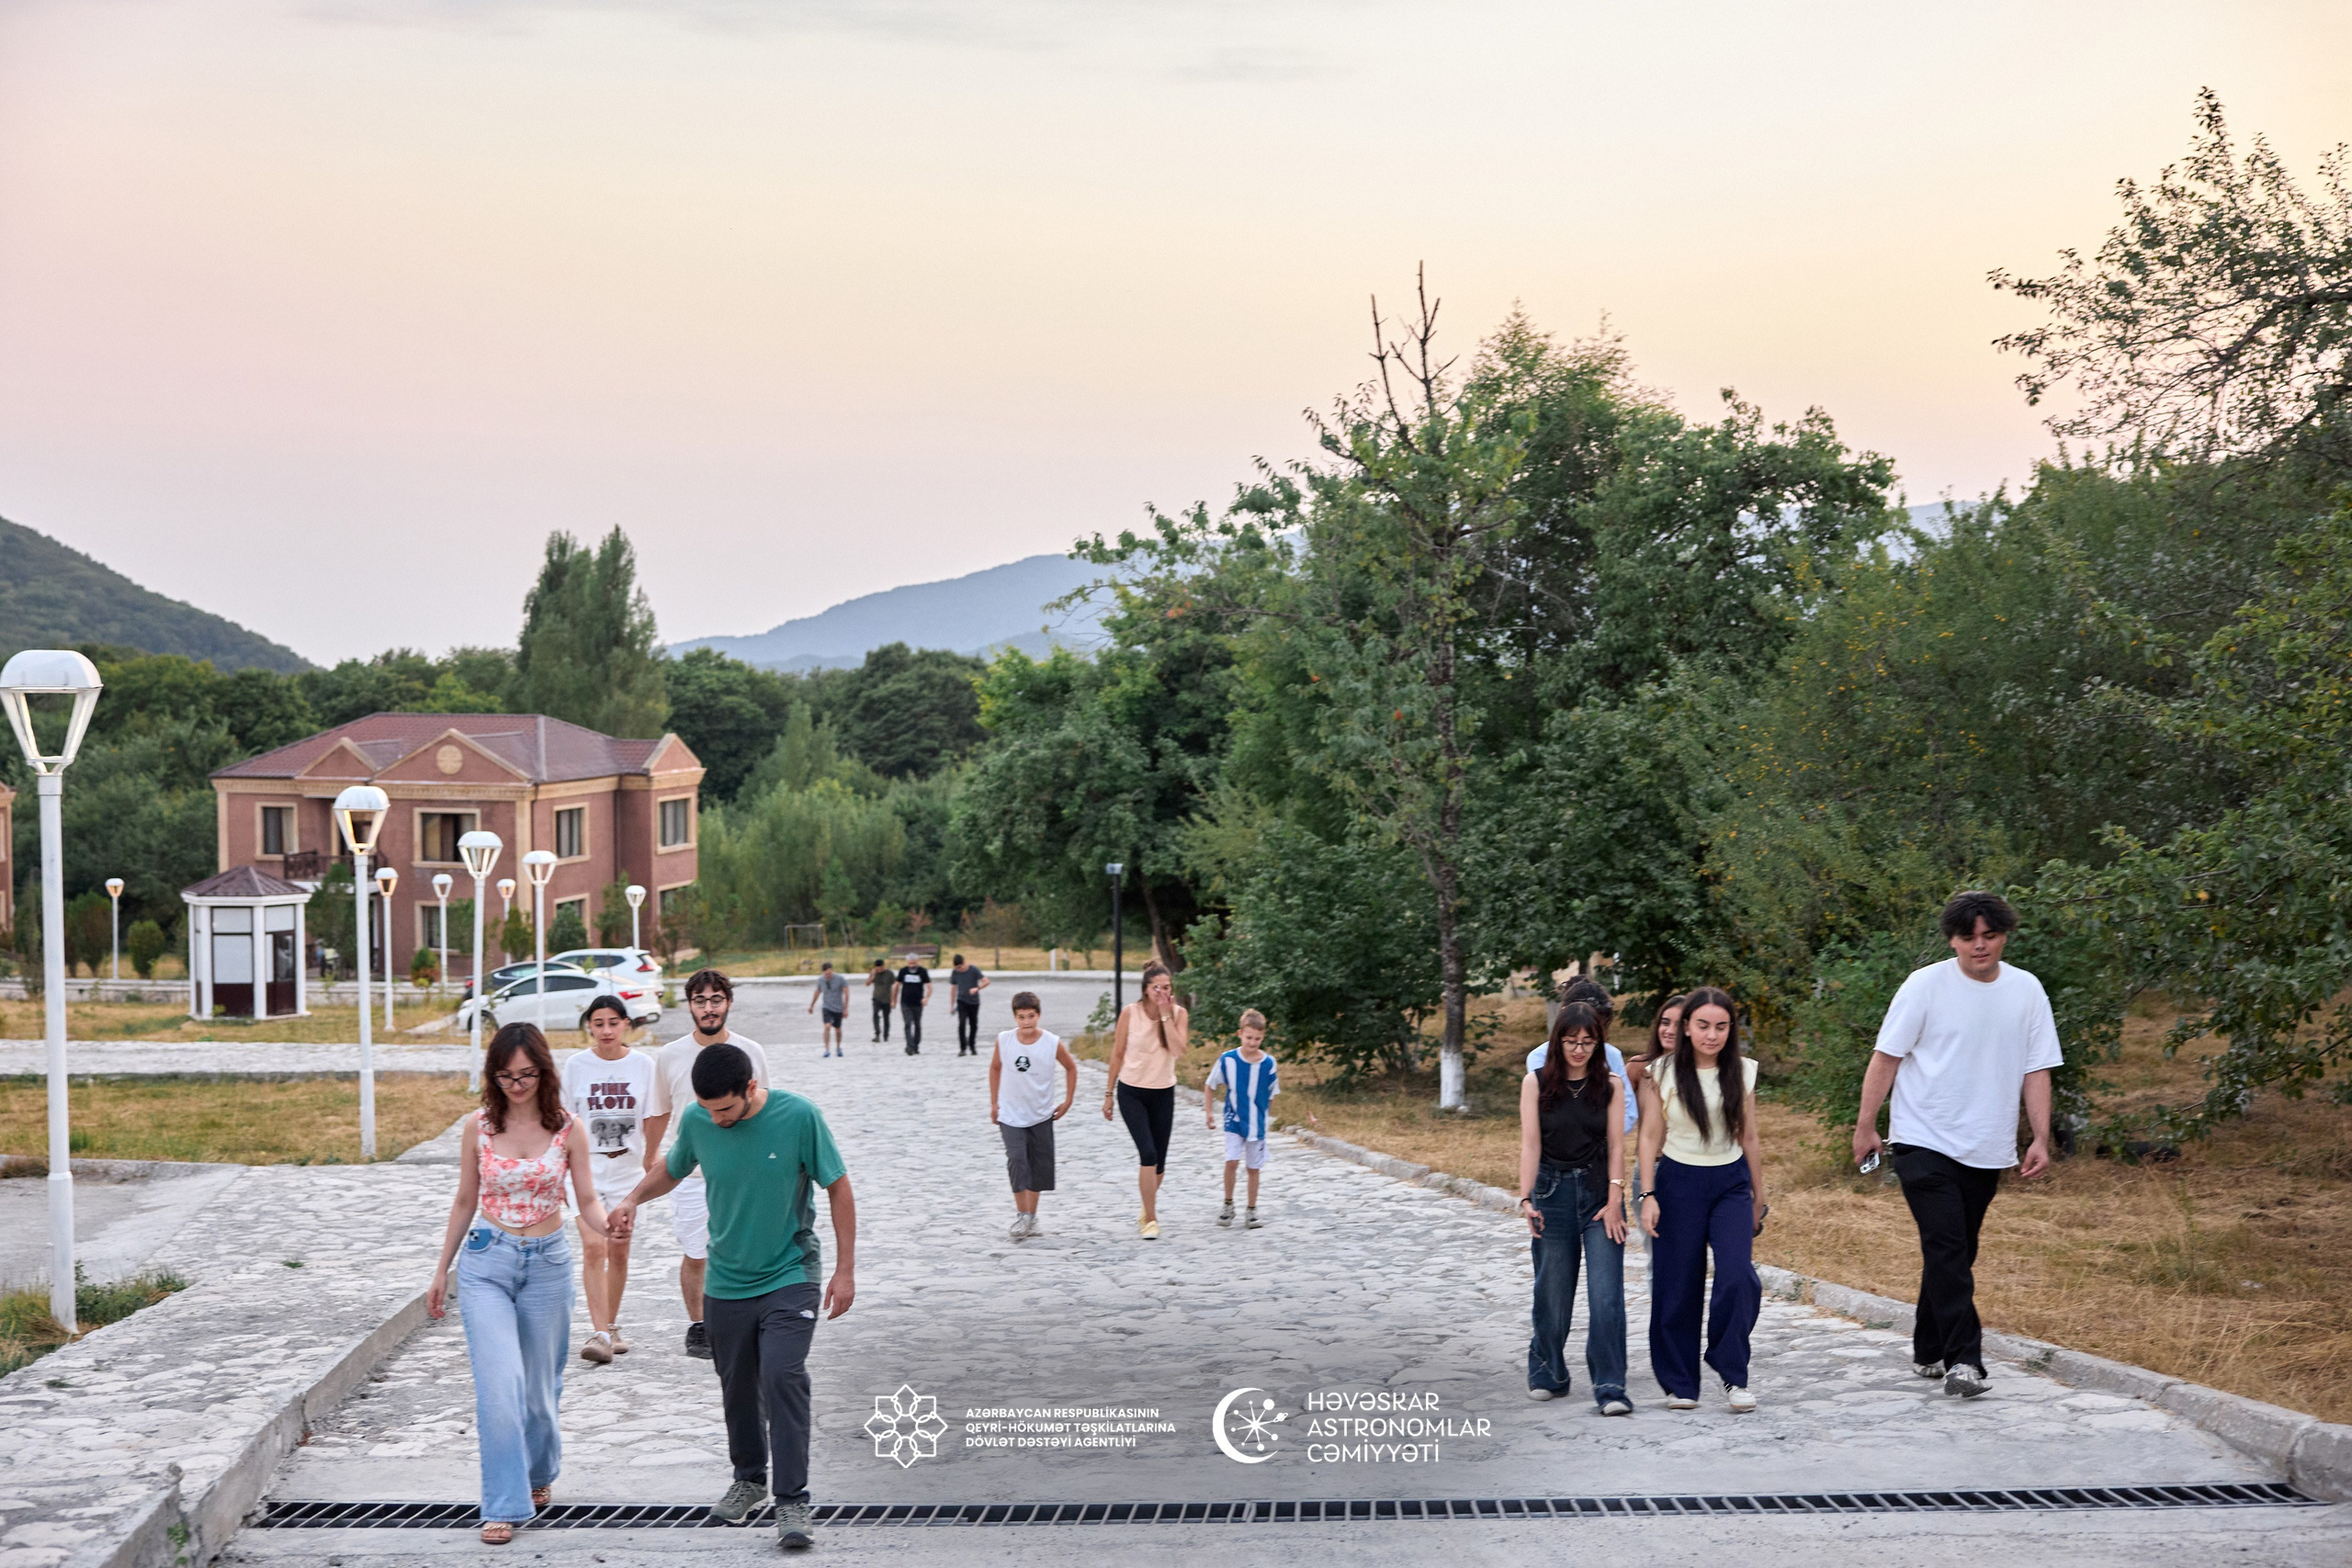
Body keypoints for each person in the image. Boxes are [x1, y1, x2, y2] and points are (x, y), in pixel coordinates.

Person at [606, 1043, 854, 1553]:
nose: (716, 1119)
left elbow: (838, 1187)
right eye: (707, 1108)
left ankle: (792, 1498)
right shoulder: (699, 1121)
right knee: (737, 1387)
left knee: (783, 1375)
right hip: (726, 1282)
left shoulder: (799, 1116)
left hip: (790, 1272)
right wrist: (631, 1198)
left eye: (725, 1109)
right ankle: (749, 1479)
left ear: (750, 1089)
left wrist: (846, 1269)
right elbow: (673, 1168)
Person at [1854, 890, 2062, 1401]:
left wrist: (2040, 1136)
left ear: (2004, 935)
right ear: (1952, 939)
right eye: (1968, 937)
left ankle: (1928, 1344)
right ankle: (1964, 1360)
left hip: (1986, 1143)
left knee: (1955, 1251)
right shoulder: (1924, 986)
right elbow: (1886, 1058)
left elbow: (2037, 1068)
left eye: (1989, 935)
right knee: (1947, 1247)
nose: (1980, 946)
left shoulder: (2027, 990)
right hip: (1922, 1137)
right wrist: (1866, 1125)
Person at [426, 1023, 608, 1545]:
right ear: (493, 1075)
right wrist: (442, 1269)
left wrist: (607, 1225)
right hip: (487, 1262)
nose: (516, 1084)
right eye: (505, 1076)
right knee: (499, 1387)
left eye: (526, 1074)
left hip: (548, 1264)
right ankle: (503, 1503)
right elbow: (465, 1200)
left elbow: (587, 1199)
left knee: (538, 1391)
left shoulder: (569, 1129)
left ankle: (539, 1472)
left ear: (544, 1072)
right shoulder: (477, 1127)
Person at [1636, 986, 1767, 1414]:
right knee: (1677, 1284)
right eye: (1703, 1026)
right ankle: (1680, 1384)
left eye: (1722, 1027)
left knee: (1737, 1276)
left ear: (1731, 1029)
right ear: (1687, 1027)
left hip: (1730, 1182)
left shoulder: (1742, 1072)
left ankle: (1732, 1372)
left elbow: (1748, 1135)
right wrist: (1648, 1194)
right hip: (1677, 1181)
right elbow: (1650, 1136)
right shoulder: (1662, 1072)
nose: (1712, 1035)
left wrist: (1758, 1195)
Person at [642, 969, 769, 1360]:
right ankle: (699, 1326)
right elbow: (660, 1110)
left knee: (743, 1250)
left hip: (741, 1173)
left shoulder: (752, 1052)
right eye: (700, 1001)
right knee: (697, 1252)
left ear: (728, 1002)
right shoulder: (670, 1056)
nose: (709, 1008)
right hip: (691, 1175)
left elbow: (763, 1107)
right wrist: (651, 1157)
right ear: (690, 1006)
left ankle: (748, 1320)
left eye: (716, 1000)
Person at [1517, 1001, 1630, 1414]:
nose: (1579, 1050)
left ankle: (1611, 1385)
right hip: (1552, 1192)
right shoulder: (1536, 1083)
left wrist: (1616, 1200)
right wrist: (1526, 1197)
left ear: (1598, 1043)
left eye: (1587, 1042)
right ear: (1557, 1042)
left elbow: (1618, 1146)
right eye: (1570, 1042)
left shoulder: (1611, 1085)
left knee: (1606, 1294)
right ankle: (1548, 1371)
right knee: (1552, 1290)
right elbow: (1531, 1144)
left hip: (1600, 1192)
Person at [560, 995, 657, 1365]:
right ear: (589, 1026)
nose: (605, 1030)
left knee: (618, 1250)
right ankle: (599, 1334)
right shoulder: (576, 1066)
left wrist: (651, 1157)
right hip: (586, 1170)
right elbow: (565, 1120)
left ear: (626, 1025)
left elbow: (653, 1115)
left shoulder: (644, 1066)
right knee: (593, 1247)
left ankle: (611, 1325)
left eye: (613, 1022)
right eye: (598, 1023)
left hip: (627, 1171)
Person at [1102, 962, 1188, 1240]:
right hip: (1132, 1091)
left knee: (1160, 1163)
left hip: (1163, 1092)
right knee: (1147, 1154)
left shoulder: (1178, 1013)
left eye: (1166, 987)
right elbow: (1117, 1053)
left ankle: (1145, 1205)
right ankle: (1150, 1219)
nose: (1161, 992)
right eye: (1156, 987)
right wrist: (1108, 1094)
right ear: (1145, 989)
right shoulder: (1130, 1013)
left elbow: (1178, 1051)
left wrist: (1165, 1016)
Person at [990, 990, 1078, 1239]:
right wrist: (994, 1103)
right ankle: (1022, 1214)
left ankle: (1032, 1216)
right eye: (1021, 1017)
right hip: (1010, 1113)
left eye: (1031, 1016)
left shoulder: (1051, 1042)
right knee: (1017, 1159)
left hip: (1040, 1113)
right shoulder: (1005, 1040)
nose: (1026, 1022)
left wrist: (1068, 1099)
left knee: (1038, 1165)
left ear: (1038, 1015)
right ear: (1014, 1018)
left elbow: (1070, 1067)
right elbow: (995, 1068)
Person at [1204, 1009, 1280, 1228]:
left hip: (1257, 1122)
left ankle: (1252, 1209)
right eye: (1249, 1038)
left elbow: (1271, 1093)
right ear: (1240, 1034)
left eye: (1257, 1038)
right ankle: (1228, 1204)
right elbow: (1210, 1085)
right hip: (1233, 1118)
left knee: (1253, 1168)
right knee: (1232, 1160)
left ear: (1263, 1037)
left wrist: (1266, 1117)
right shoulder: (1228, 1060)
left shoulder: (1268, 1064)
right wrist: (1209, 1112)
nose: (1253, 1042)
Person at [949, 954, 990, 1056]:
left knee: (973, 1024)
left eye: (960, 967)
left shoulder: (973, 970)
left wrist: (977, 988)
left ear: (964, 963)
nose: (959, 969)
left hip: (974, 1002)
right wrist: (952, 1004)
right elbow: (953, 989)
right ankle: (962, 1048)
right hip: (961, 1001)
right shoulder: (955, 973)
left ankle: (972, 1046)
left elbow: (987, 981)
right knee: (962, 1024)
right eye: (956, 968)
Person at [808, 963, 850, 1058]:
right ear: (823, 973)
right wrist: (812, 1005)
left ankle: (838, 1047)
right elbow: (817, 992)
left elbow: (846, 993)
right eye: (826, 974)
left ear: (832, 970)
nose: (828, 975)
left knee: (837, 1029)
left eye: (830, 973)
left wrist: (845, 1008)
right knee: (827, 1026)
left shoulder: (840, 979)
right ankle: (827, 1049)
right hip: (827, 1007)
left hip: (838, 1007)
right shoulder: (821, 980)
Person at [894, 953, 933, 1055]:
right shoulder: (903, 971)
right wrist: (893, 1000)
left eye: (914, 963)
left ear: (917, 962)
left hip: (918, 1003)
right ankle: (909, 1046)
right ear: (907, 962)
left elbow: (929, 986)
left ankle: (916, 1045)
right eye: (910, 963)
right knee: (907, 1024)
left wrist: (926, 998)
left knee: (917, 1025)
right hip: (905, 1002)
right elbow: (896, 986)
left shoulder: (922, 971)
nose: (912, 965)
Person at [865, 959, 893, 1043]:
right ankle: (877, 1034)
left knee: (886, 1017)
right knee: (875, 1015)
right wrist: (872, 976)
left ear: (883, 966)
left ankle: (886, 1035)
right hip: (877, 998)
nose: (879, 969)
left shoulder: (889, 973)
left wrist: (893, 999)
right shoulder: (874, 973)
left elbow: (895, 984)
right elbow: (867, 984)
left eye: (881, 967)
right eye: (877, 968)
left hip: (887, 999)